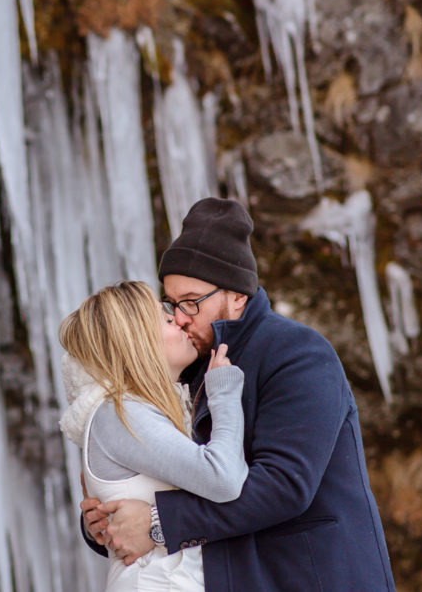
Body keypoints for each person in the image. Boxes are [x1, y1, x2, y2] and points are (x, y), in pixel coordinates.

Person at [80, 198, 396, 591]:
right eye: (171, 303)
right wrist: (108, 519)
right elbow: (169, 471)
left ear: (237, 296)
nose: (179, 317)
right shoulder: (187, 368)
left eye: (191, 302)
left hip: (310, 576)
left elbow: (284, 486)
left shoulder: (298, 354)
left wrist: (159, 523)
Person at [58, 281, 248, 591]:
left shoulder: (135, 411)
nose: (183, 321)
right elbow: (223, 478)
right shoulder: (120, 413)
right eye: (169, 320)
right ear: (139, 340)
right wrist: (223, 391)